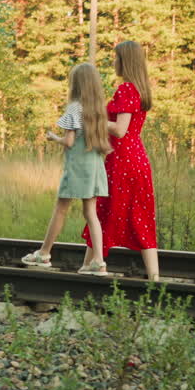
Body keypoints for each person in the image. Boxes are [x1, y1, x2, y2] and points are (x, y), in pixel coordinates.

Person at [21, 62, 113, 276]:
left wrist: (54, 137)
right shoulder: (99, 110)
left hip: (77, 167)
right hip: (94, 166)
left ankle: (44, 254)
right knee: (91, 213)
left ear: (76, 85)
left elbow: (70, 141)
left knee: (61, 209)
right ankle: (99, 262)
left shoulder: (74, 108)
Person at [82, 40, 160, 281]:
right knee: (139, 216)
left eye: (116, 58)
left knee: (104, 211)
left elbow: (120, 130)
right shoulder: (140, 89)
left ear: (125, 61)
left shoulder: (126, 89)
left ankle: (90, 266)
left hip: (123, 161)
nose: (113, 62)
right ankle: (155, 279)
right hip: (136, 160)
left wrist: (94, 120)